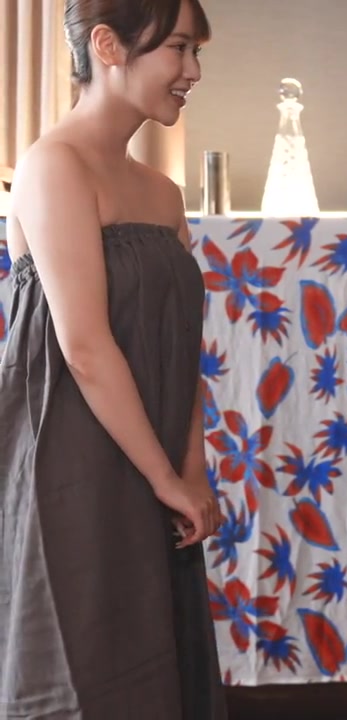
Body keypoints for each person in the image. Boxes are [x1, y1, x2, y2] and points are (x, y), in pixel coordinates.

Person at [0, 0, 226, 717]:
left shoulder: (163, 193)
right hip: (74, 468)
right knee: (86, 672)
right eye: (179, 48)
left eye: (196, 52)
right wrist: (166, 477)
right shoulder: (51, 167)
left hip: (153, 463)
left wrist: (190, 471)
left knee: (157, 669)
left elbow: (182, 345)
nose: (192, 71)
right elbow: (85, 346)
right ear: (107, 44)